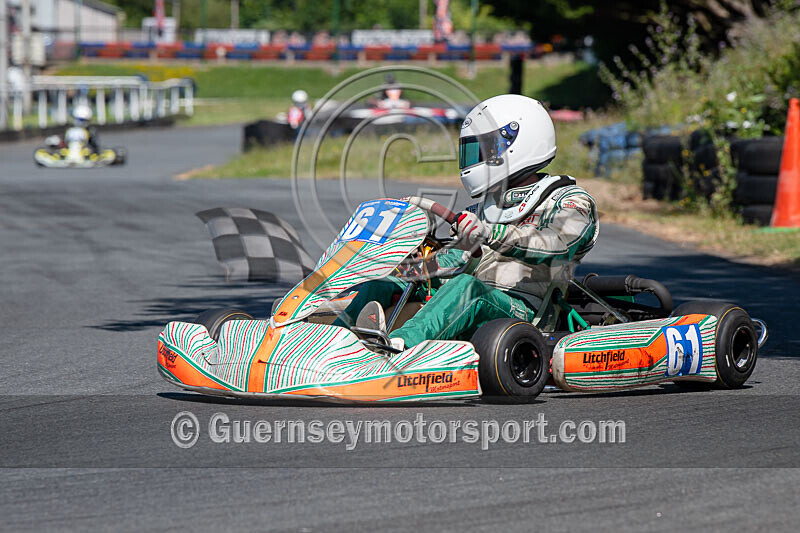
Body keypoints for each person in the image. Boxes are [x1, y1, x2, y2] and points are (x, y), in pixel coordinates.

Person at [334, 94, 599, 351]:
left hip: (526, 310)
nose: (476, 158)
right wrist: (412, 261)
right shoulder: (487, 206)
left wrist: (489, 232)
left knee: (466, 288)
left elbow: (558, 246)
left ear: (518, 142)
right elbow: (459, 259)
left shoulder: (568, 200)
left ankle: (397, 348)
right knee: (385, 283)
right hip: (476, 296)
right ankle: (330, 344)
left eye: (484, 149)